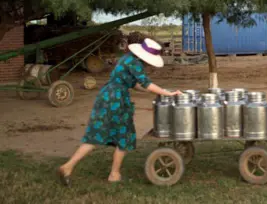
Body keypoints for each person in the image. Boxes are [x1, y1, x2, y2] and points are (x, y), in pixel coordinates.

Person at [57, 38, 182, 185]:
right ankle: (113, 174)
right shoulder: (135, 63)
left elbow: (135, 84)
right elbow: (146, 83)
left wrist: (158, 92)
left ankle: (69, 166)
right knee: (124, 135)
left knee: (96, 134)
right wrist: (168, 93)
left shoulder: (127, 58)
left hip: (107, 96)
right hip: (116, 101)